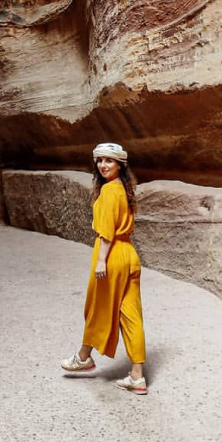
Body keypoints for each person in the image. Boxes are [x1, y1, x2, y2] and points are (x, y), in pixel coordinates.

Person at [61, 142, 147, 394]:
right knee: (131, 316)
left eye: (109, 161)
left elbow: (107, 230)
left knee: (96, 307)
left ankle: (83, 357)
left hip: (110, 256)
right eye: (99, 161)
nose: (103, 165)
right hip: (129, 255)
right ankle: (137, 377)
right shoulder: (124, 188)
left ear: (120, 164)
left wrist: (101, 261)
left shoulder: (110, 191)